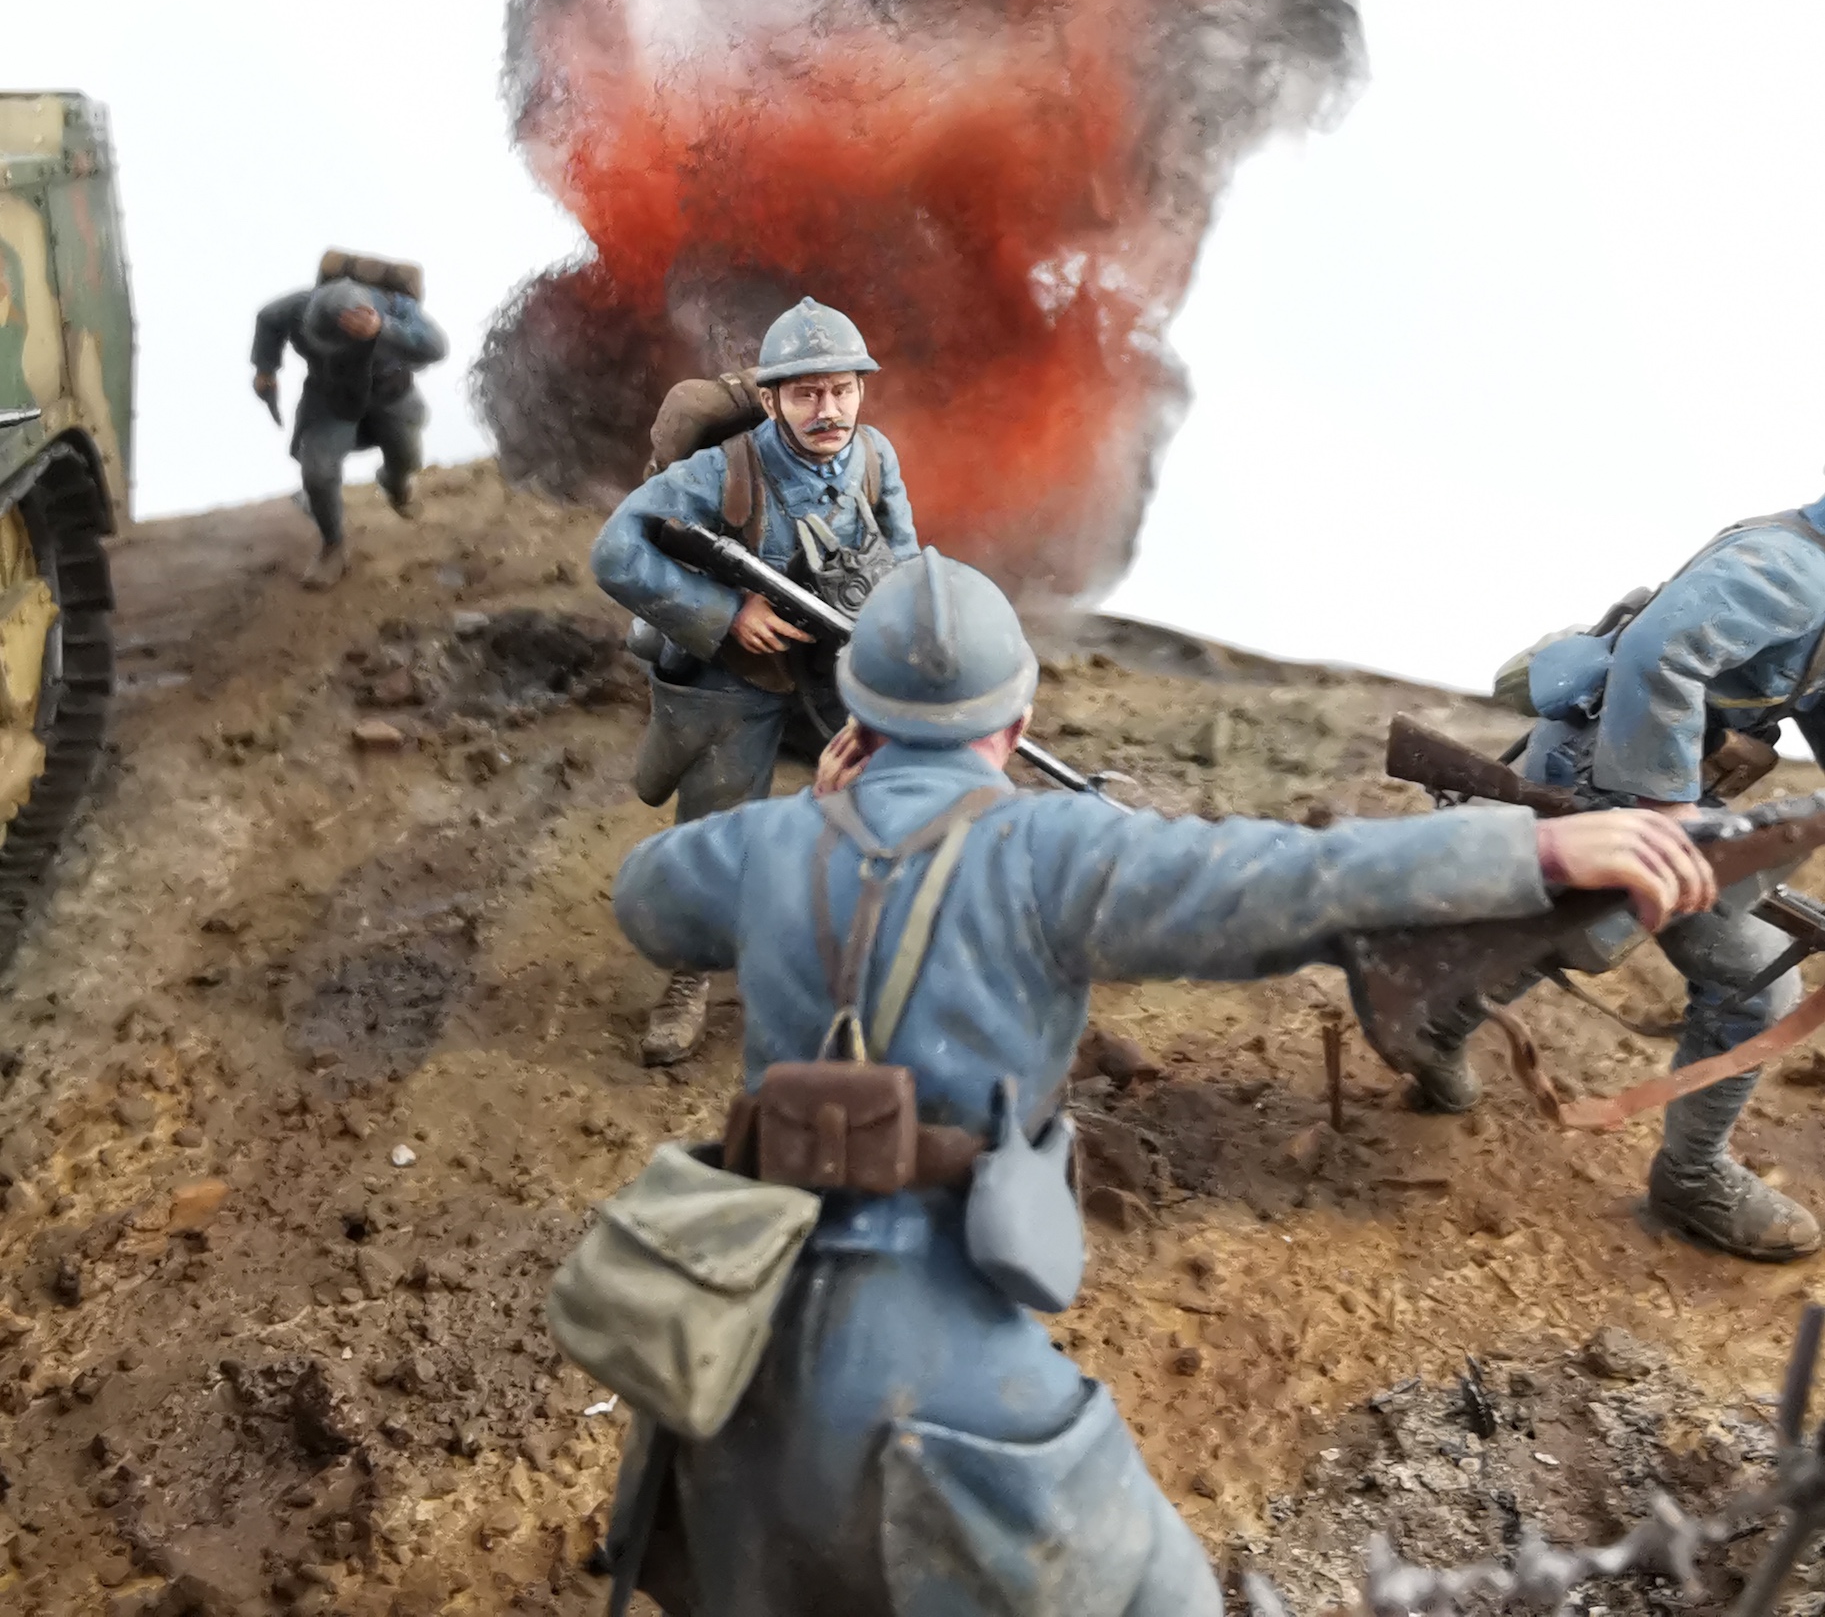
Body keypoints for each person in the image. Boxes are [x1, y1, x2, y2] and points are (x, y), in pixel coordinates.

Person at [602, 548, 1713, 1616]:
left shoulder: (767, 844)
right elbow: (1287, 878)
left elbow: (649, 900)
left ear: (854, 716)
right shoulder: (1051, 849)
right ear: (1016, 722)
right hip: (941, 1355)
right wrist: (1532, 852)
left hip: (741, 1332)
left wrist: (814, 814)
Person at [1407, 494, 1825, 1261]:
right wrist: (1666, 815)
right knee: (1601, 935)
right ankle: (1433, 1033)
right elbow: (1657, 654)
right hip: (1603, 775)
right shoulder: (1789, 568)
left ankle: (1685, 1173)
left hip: (1657, 778)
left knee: (1702, 966)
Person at [592, 296, 919, 1065]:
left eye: (841, 390)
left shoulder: (875, 456)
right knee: (717, 831)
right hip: (738, 675)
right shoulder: (722, 471)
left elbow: (903, 553)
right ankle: (691, 974)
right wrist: (725, 613)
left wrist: (903, 632)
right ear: (771, 400)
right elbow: (615, 551)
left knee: (877, 809)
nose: (827, 410)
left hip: (836, 668)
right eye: (806, 394)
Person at [252, 258, 447, 591]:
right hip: (331, 398)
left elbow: (436, 346)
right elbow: (269, 319)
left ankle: (395, 482)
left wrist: (383, 329)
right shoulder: (300, 306)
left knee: (406, 457)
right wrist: (265, 369)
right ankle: (333, 545)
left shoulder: (395, 308)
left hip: (390, 395)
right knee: (317, 473)